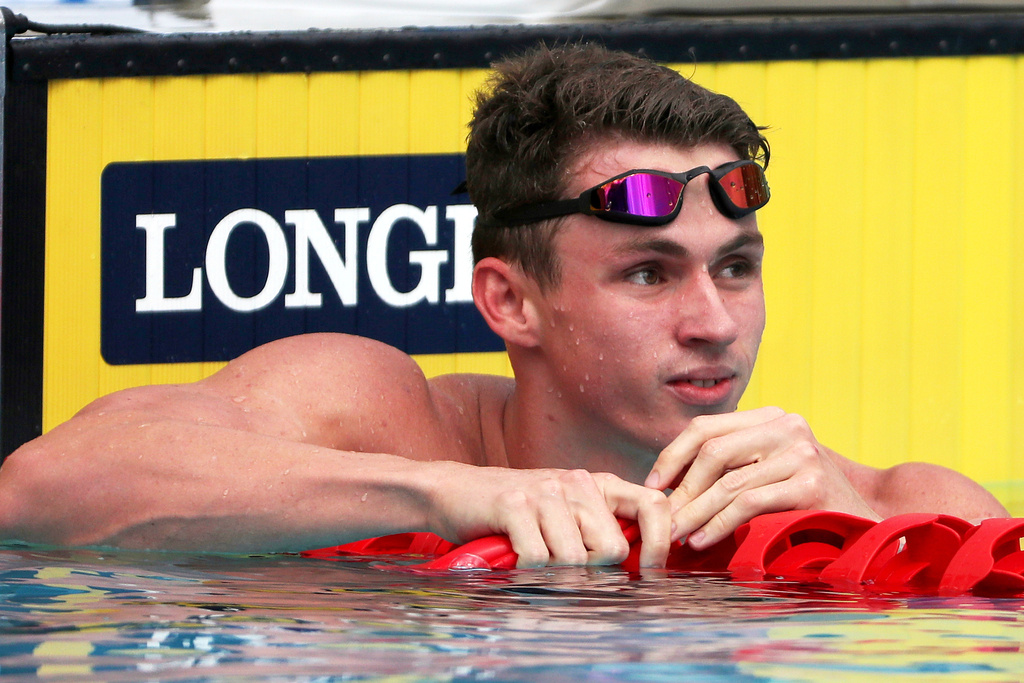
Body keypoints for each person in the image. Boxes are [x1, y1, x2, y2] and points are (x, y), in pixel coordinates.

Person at [0, 43, 1007, 568]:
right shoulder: (381, 413)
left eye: (734, 266)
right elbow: (40, 490)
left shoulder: (858, 500)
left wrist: (843, 512)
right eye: (649, 273)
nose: (713, 321)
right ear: (508, 300)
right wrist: (448, 495)